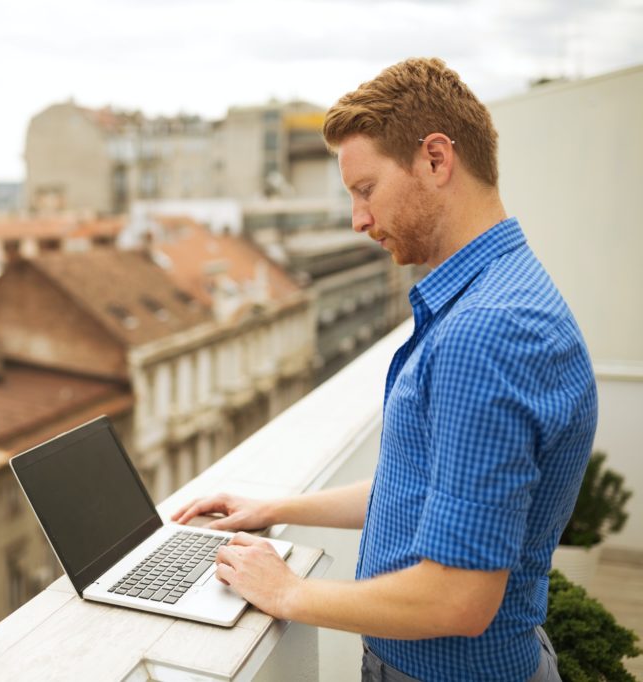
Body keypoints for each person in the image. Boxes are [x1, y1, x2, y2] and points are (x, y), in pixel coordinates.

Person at [172, 57, 597, 681]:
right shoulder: (500, 291)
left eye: (365, 189)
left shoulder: (485, 330)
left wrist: (288, 592)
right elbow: (427, 487)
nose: (358, 220)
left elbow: (459, 598)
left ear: (435, 159)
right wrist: (273, 506)